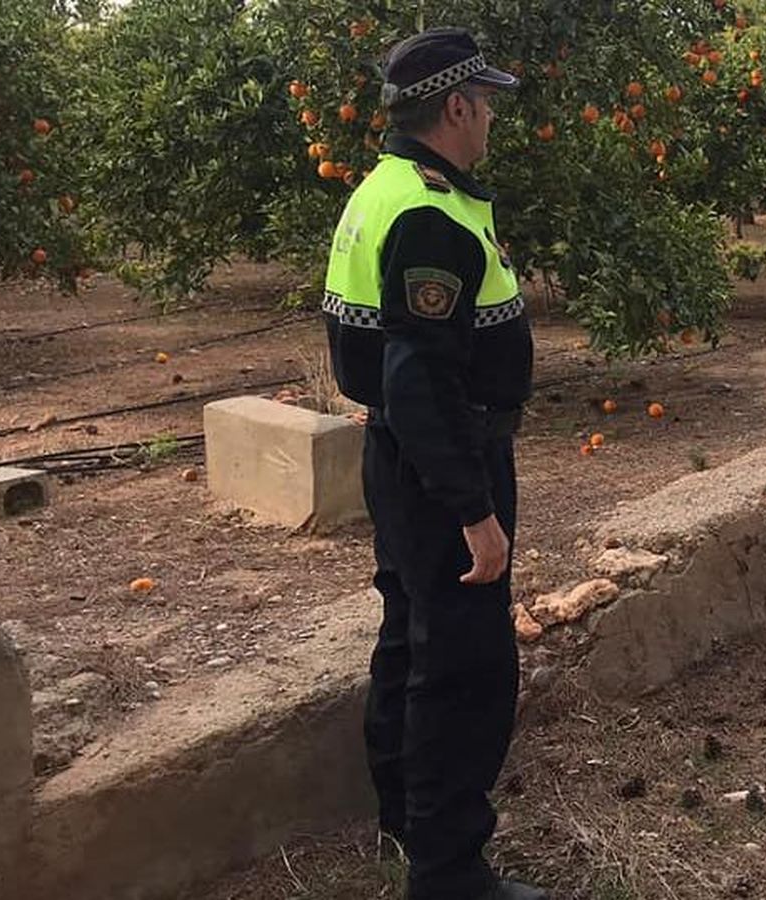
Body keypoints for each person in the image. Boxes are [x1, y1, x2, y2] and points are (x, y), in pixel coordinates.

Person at [320, 26, 543, 900]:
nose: (489, 117)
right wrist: (473, 510)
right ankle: (450, 872)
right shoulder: (428, 212)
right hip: (441, 460)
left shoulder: (383, 190)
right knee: (464, 667)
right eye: (483, 103)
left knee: (411, 639)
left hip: (400, 454)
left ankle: (407, 821)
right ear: (454, 107)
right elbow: (419, 379)